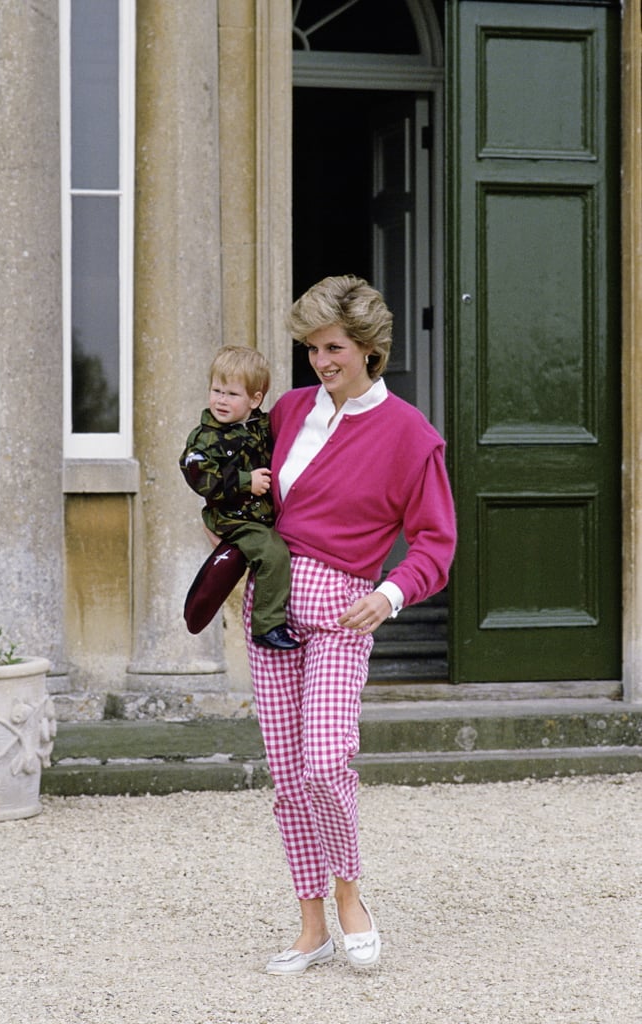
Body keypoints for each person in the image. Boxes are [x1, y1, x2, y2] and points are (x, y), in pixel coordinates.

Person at [243, 275, 457, 974]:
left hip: (342, 611)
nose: (319, 361)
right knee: (285, 772)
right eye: (309, 348)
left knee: (325, 759)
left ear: (368, 348)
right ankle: (309, 926)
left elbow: (434, 543)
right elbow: (237, 489)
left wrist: (390, 595)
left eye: (331, 347)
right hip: (269, 608)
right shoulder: (286, 412)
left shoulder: (409, 435)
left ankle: (349, 895)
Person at [180, 345, 299, 651]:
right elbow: (199, 477)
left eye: (232, 394)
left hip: (258, 514)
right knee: (274, 554)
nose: (221, 400)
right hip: (234, 517)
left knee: (269, 552)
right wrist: (247, 482)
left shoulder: (260, 426)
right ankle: (267, 625)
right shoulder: (206, 436)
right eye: (216, 390)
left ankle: (228, 560)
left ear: (254, 399)